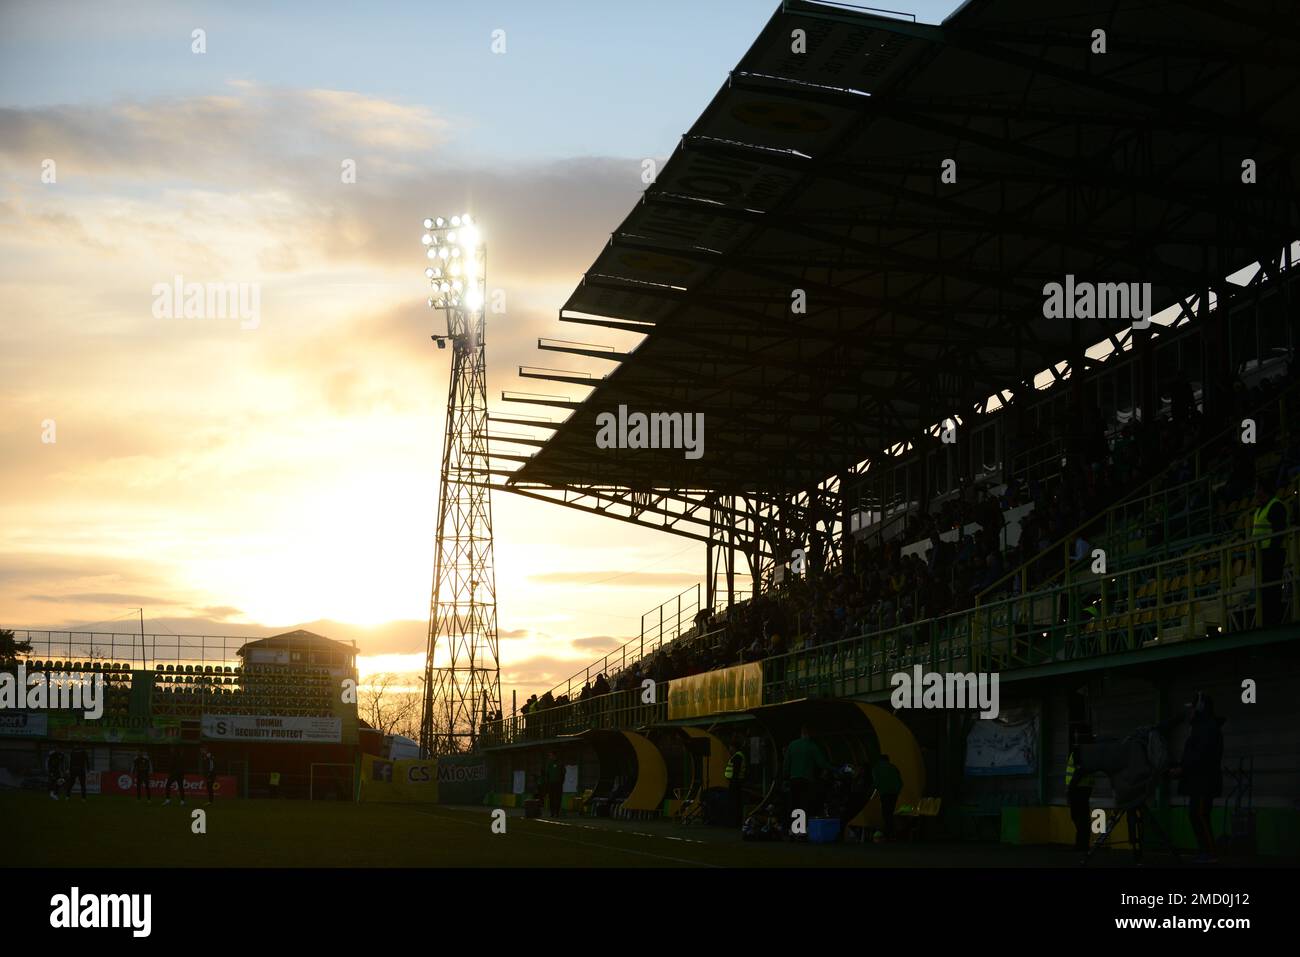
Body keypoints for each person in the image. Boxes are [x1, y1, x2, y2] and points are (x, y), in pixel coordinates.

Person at [1173, 691, 1225, 864]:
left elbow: (1201, 754)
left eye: (1194, 707)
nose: (1192, 710)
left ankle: (1210, 853)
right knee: (1196, 815)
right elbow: (1194, 754)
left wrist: (1183, 769)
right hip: (1199, 780)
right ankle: (1205, 851)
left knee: (1200, 814)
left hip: (1204, 781)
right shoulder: (1201, 727)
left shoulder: (1207, 728)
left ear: (1201, 707)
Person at [1252, 478, 1288, 627]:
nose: (1255, 492)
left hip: (1272, 555)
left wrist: (1272, 553)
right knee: (1264, 592)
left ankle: (1274, 621)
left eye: (1257, 488)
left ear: (1263, 490)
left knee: (1272, 590)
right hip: (1262, 556)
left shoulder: (1276, 506)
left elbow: (1278, 533)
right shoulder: (1259, 509)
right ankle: (1266, 620)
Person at [783, 726, 829, 829]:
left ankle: (793, 829)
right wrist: (835, 769)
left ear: (801, 733)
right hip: (807, 780)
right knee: (805, 804)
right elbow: (821, 763)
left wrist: (785, 776)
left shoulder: (792, 745)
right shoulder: (812, 746)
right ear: (810, 734)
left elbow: (786, 763)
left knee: (795, 804)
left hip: (793, 779)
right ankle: (802, 830)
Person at [1065, 738, 1095, 853]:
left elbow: (1078, 771)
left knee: (1078, 817)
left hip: (1077, 789)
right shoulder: (1090, 753)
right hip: (1085, 788)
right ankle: (1082, 844)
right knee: (1083, 817)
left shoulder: (1079, 752)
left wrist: (1070, 788)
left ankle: (1081, 845)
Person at [872, 753, 903, 840]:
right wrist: (897, 791)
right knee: (890, 811)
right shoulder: (894, 768)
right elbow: (900, 782)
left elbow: (876, 782)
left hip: (884, 793)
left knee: (886, 813)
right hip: (894, 793)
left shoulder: (876, 768)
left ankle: (889, 832)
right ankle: (891, 833)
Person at [725, 736, 747, 827]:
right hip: (736, 782)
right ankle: (735, 821)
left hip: (735, 783)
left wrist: (733, 782)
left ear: (733, 747)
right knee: (736, 802)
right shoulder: (738, 756)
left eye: (730, 747)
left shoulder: (737, 757)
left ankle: (735, 822)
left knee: (735, 803)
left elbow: (736, 771)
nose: (729, 749)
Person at [543, 751, 563, 817]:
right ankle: (552, 812)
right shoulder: (549, 763)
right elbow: (547, 774)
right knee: (551, 798)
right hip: (551, 784)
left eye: (551, 755)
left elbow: (563, 773)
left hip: (558, 783)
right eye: (549, 756)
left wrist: (561, 781)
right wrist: (547, 783)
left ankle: (557, 812)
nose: (550, 757)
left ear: (554, 755)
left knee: (558, 798)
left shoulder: (560, 762)